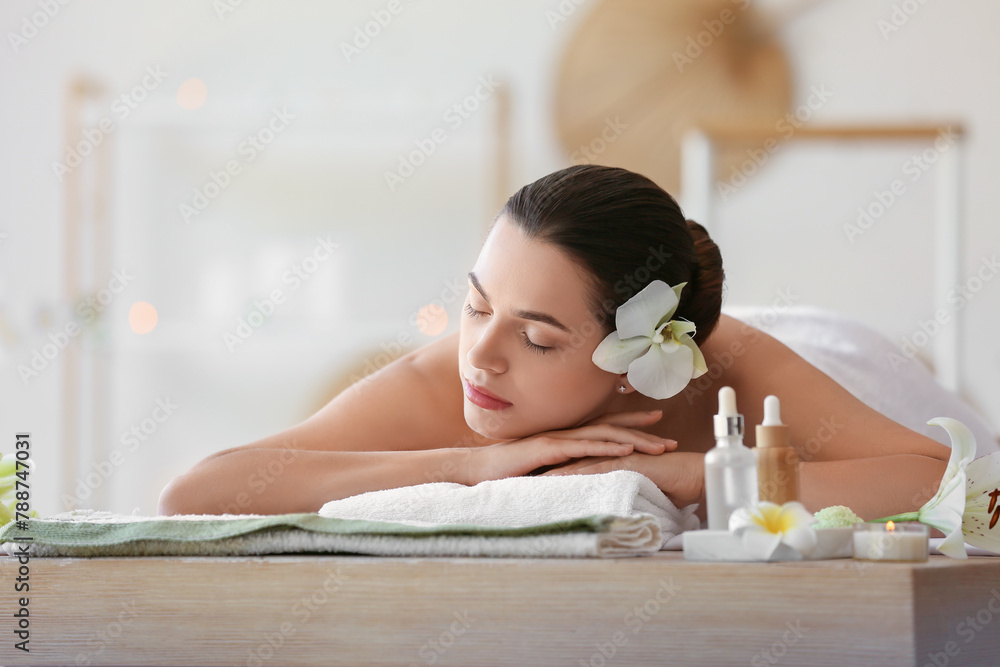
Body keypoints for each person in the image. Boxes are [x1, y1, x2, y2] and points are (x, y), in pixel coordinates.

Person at [157, 164, 950, 522]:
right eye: (474, 305)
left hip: (846, 355)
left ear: (640, 361)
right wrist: (468, 464)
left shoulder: (728, 367)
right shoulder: (446, 380)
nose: (482, 355)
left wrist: (692, 472)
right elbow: (197, 492)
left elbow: (943, 481)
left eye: (537, 337)